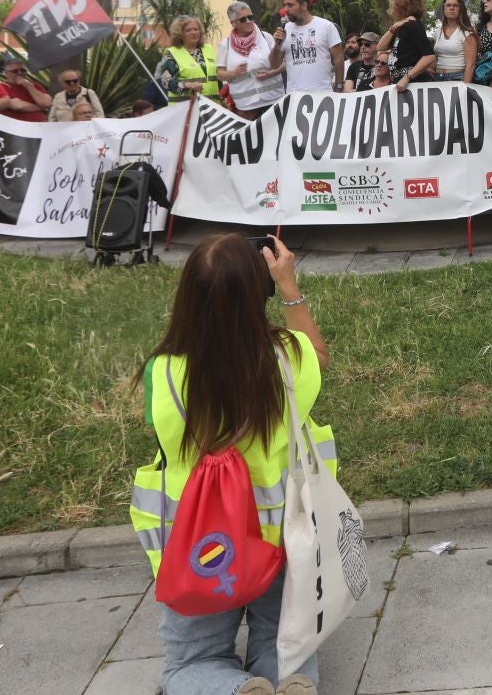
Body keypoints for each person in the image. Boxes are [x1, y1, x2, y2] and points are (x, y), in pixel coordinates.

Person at [129, 233, 331, 695]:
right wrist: (290, 288)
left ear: (187, 297)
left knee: (189, 663)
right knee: (284, 642)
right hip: (280, 534)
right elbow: (319, 355)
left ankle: (235, 690)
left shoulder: (161, 373)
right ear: (256, 293)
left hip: (199, 543)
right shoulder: (287, 358)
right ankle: (293, 682)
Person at [272, 0, 343, 96]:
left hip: (322, 95)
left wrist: (339, 87)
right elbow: (274, 65)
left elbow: (338, 58)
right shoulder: (284, 30)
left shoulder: (326, 26)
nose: (286, 9)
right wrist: (277, 46)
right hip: (294, 98)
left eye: (290, 5)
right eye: (285, 5)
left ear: (304, 5)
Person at [219, 0, 284, 114]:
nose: (249, 21)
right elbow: (219, 74)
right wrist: (233, 73)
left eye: (251, 17)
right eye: (243, 19)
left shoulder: (265, 37)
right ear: (233, 23)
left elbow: (284, 64)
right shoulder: (226, 45)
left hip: (274, 100)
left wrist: (272, 73)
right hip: (246, 106)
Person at [376, 0, 435, 91]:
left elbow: (429, 56)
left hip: (411, 85)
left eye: (393, 1)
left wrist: (407, 78)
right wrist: (393, 27)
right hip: (400, 84)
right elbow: (381, 46)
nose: (391, 6)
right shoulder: (400, 26)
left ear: (401, 4)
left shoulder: (413, 25)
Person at [155, 16, 220, 104]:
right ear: (180, 34)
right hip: (185, 109)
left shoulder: (209, 49)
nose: (193, 32)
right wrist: (188, 85)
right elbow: (166, 81)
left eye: (196, 29)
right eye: (188, 30)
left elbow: (216, 77)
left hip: (211, 107)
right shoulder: (172, 53)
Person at [430, 0, 477, 83]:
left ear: (461, 9)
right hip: (437, 78)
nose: (451, 8)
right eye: (448, 5)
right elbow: (436, 57)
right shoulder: (438, 31)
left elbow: (470, 65)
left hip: (458, 78)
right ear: (444, 8)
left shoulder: (467, 32)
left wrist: (464, 87)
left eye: (455, 5)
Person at [0, 57, 52, 123]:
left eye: (23, 70)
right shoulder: (2, 87)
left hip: (40, 126)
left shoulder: (35, 85)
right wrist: (41, 108)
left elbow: (46, 103)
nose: (20, 73)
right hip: (16, 128)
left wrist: (28, 86)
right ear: (6, 73)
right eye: (15, 71)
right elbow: (18, 106)